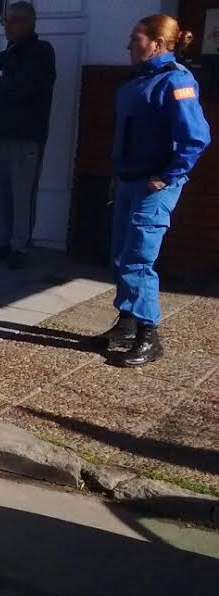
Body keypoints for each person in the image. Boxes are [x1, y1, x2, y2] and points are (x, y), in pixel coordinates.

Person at [97, 14, 210, 367]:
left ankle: (149, 335)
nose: (129, 45)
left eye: (136, 38)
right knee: (120, 254)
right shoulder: (139, 79)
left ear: (157, 44)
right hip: (129, 180)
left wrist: (167, 175)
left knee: (138, 259)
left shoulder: (176, 80)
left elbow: (196, 138)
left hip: (152, 186)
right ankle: (126, 324)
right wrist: (118, 175)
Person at [0, 1, 55, 269]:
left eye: (13, 20)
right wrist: (2, 89)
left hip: (26, 136)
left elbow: (26, 87)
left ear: (28, 22)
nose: (7, 26)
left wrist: (0, 88)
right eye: (5, 21)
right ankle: (1, 241)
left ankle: (20, 246)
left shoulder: (41, 53)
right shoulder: (1, 57)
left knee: (22, 193)